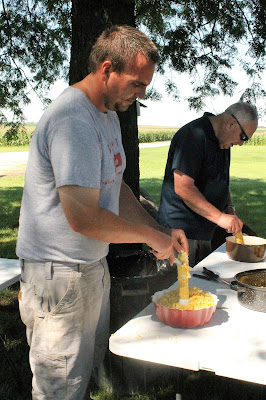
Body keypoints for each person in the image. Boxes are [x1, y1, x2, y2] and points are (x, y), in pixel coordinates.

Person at [16, 25, 188, 400]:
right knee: (60, 388)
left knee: (83, 376)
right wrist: (149, 237)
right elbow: (84, 217)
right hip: (58, 276)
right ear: (107, 69)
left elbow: (117, 187)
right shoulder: (73, 120)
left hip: (91, 268)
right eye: (137, 83)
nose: (142, 94)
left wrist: (156, 227)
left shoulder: (107, 115)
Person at [157, 102, 258, 267]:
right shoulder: (193, 135)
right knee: (177, 290)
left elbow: (221, 180)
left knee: (202, 288)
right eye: (243, 137)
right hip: (181, 232)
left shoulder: (223, 141)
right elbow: (183, 187)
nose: (241, 143)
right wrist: (219, 218)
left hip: (204, 232)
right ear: (231, 123)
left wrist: (229, 207)